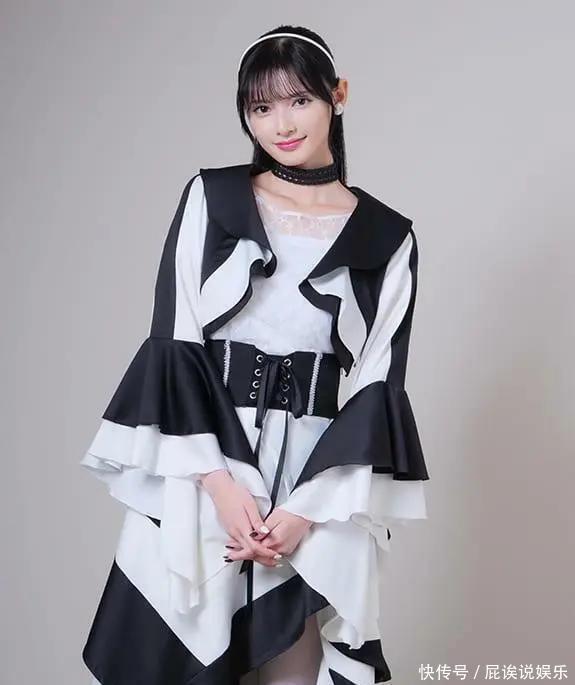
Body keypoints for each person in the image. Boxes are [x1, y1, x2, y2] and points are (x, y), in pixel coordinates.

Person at [80, 24, 430, 685]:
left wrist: (301, 513)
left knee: (297, 666)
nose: (282, 124)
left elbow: (377, 384)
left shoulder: (388, 236)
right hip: (204, 460)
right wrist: (218, 484)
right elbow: (177, 339)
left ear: (338, 95)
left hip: (314, 480)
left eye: (299, 100)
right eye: (261, 107)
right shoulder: (212, 198)